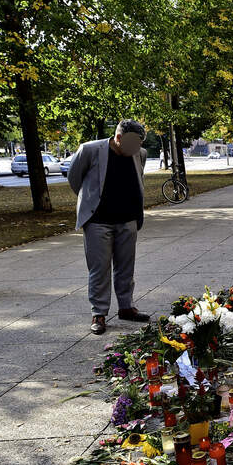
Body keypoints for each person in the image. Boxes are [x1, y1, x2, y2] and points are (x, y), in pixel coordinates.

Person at [67, 119, 151, 335]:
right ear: (119, 138)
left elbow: (138, 178)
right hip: (98, 221)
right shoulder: (90, 150)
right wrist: (90, 201)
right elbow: (74, 178)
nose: (136, 147)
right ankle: (99, 313)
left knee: (126, 268)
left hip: (128, 219)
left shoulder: (139, 154)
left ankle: (126, 307)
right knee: (99, 269)